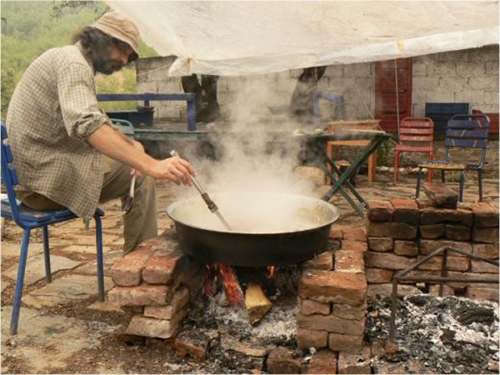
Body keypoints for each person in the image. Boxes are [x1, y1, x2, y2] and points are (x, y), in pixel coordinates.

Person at [6, 12, 195, 254]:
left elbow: (98, 118)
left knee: (129, 159)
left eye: (130, 55)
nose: (126, 60)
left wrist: (130, 145)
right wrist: (149, 164)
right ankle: (141, 262)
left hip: (32, 175)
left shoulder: (68, 58)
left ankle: (140, 256)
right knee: (141, 176)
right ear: (100, 40)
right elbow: (87, 124)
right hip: (42, 184)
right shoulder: (73, 64)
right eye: (123, 49)